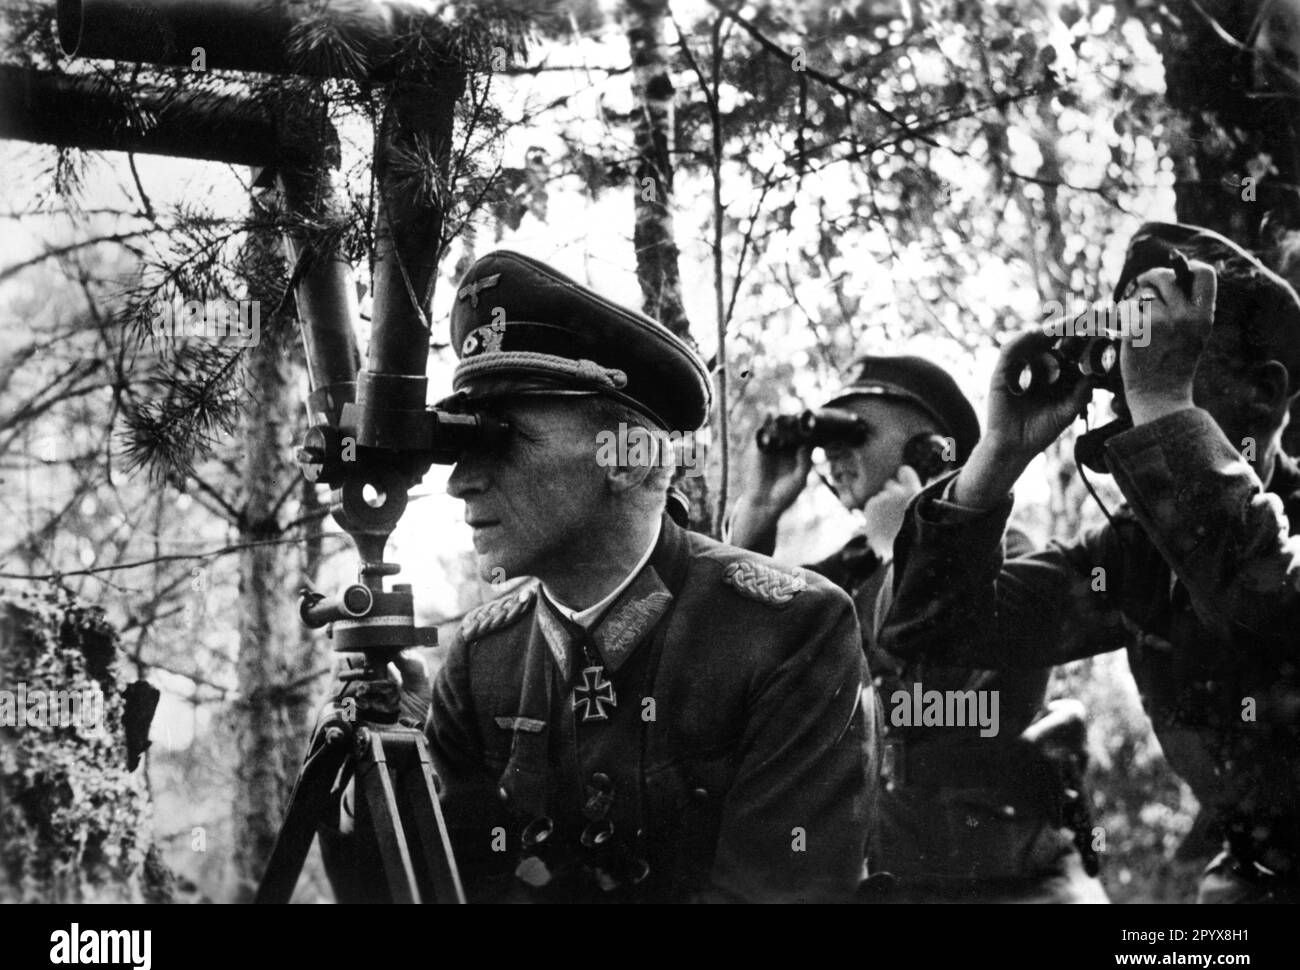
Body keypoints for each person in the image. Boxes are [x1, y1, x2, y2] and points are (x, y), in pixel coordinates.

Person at [364, 250, 877, 903]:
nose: (461, 480)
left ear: (629, 459)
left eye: (500, 438)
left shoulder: (788, 633)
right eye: (460, 446)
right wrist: (388, 786)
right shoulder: (483, 659)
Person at [879, 222, 1300, 904]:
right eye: (1132, 353)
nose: (1135, 379)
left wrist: (1165, 403)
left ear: (1265, 393)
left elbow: (1269, 599)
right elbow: (938, 631)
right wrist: (997, 460)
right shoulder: (1137, 553)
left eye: (1172, 354)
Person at [729, 356, 1107, 902]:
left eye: (852, 433)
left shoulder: (1006, 555)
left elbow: (964, 701)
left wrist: (900, 551)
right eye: (825, 437)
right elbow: (737, 650)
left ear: (925, 449)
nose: (833, 455)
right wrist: (758, 512)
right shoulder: (846, 573)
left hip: (1012, 878)